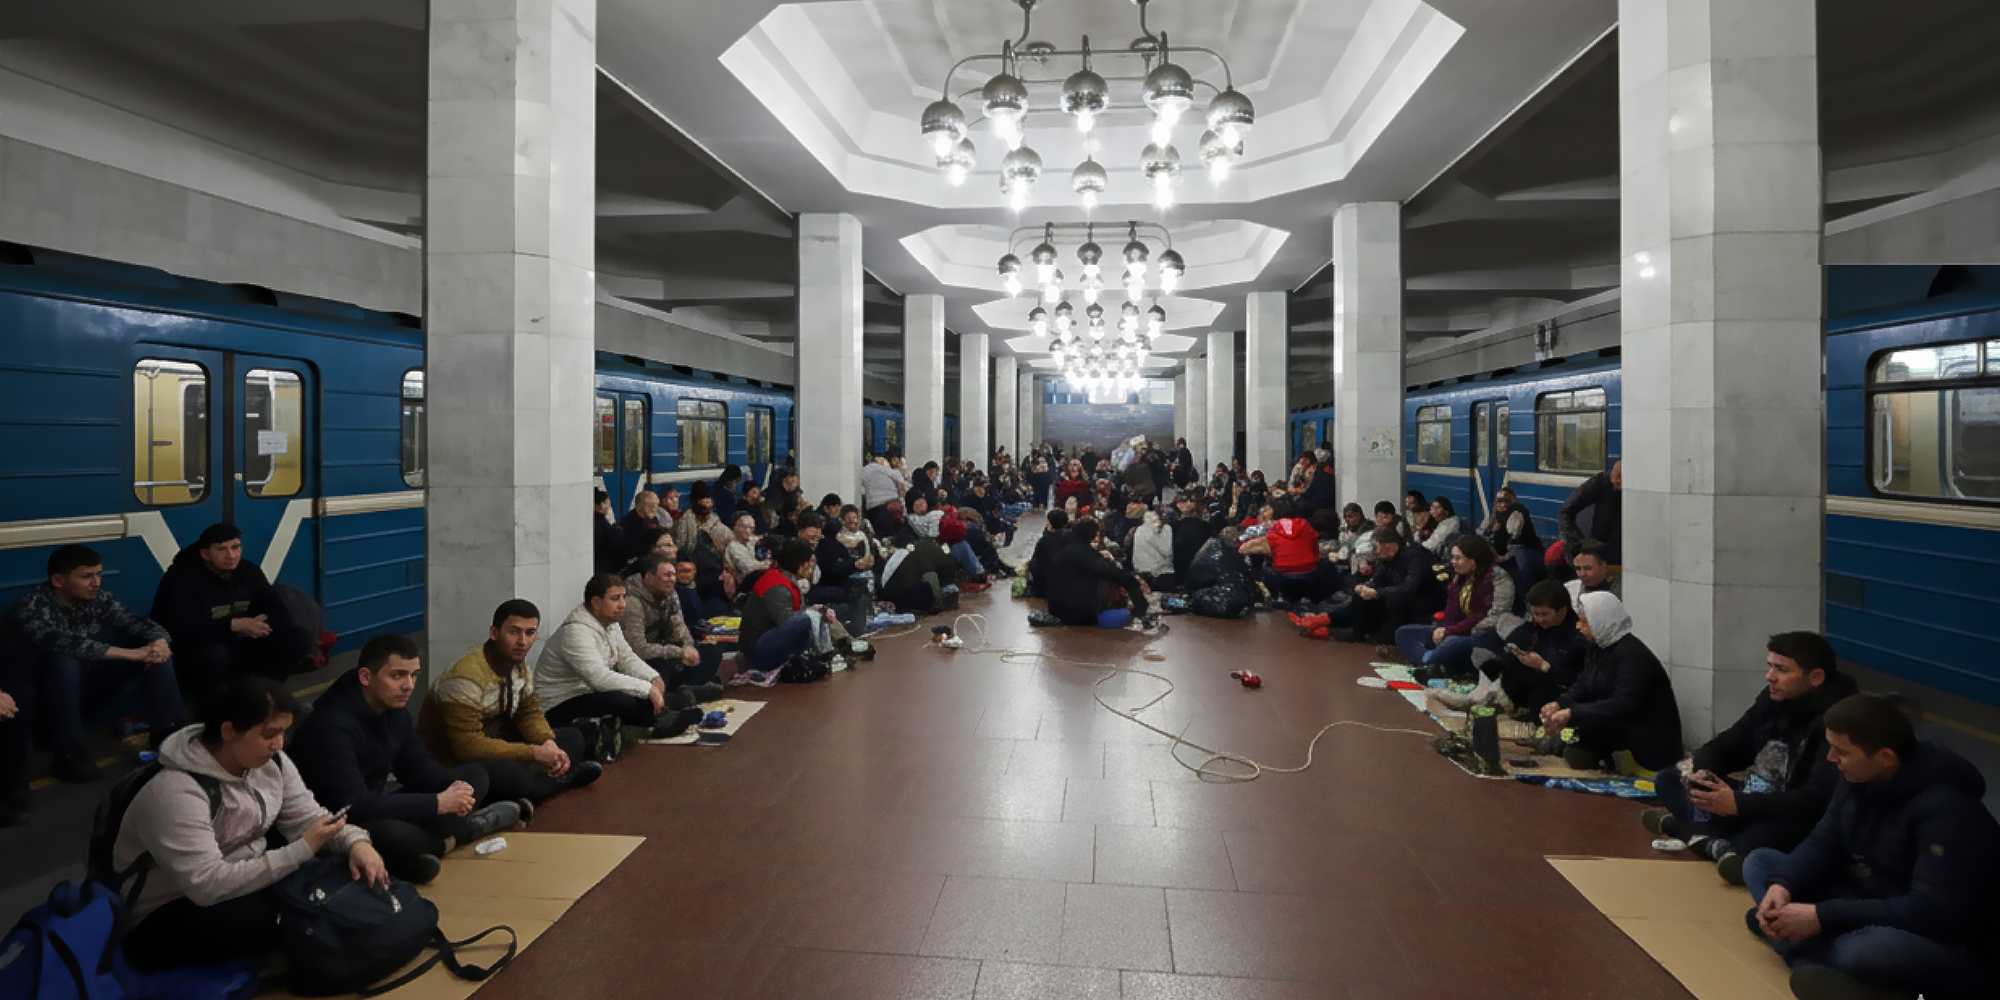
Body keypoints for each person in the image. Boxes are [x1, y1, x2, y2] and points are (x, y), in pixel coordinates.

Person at [114, 676, 384, 973]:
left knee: (346, 865)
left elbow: (307, 817)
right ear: (229, 731)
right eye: (269, 733)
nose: (279, 744)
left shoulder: (273, 761)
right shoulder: (176, 792)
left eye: (283, 732)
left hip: (241, 878)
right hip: (166, 911)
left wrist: (357, 843)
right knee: (271, 912)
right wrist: (302, 850)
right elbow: (206, 885)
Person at [1741, 693, 2000, 1000]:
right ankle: (1814, 962)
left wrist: (1822, 916)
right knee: (1761, 864)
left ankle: (1808, 951)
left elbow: (1933, 912)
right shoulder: (1857, 776)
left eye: (1840, 751)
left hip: (1945, 938)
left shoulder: (1948, 810)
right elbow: (1824, 841)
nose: (1830, 758)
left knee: (1865, 952)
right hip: (1871, 895)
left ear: (1886, 757)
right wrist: (1783, 887)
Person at [290, 635, 521, 884]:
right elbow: (354, 805)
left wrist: (455, 792)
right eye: (398, 675)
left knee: (474, 777)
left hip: (381, 801)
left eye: (414, 675)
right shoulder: (331, 725)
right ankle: (461, 834)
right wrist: (437, 803)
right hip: (343, 820)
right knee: (391, 835)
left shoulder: (394, 708)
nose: (409, 685)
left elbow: (417, 765)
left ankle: (423, 851)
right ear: (366, 677)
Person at [1643, 632, 1859, 885]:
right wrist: (1703, 770)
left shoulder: (1838, 721)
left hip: (1789, 815)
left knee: (1753, 847)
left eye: (1781, 670)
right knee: (1669, 779)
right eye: (1770, 667)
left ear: (1816, 678)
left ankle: (1686, 831)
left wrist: (1738, 804)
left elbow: (1815, 799)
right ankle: (1717, 842)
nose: (1770, 677)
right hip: (1746, 800)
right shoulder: (1772, 699)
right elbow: (1730, 742)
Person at [7, 544, 183, 784]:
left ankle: (167, 733)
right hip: (49, 697)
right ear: (58, 580)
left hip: (90, 684)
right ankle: (68, 750)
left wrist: (159, 641)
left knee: (156, 656)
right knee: (63, 661)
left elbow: (138, 622)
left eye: (99, 574)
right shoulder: (32, 606)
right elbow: (65, 644)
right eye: (86, 576)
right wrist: (131, 654)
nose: (96, 583)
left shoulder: (99, 599)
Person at [418, 600, 602, 804]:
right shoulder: (465, 677)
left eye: (530, 633)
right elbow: (467, 747)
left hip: (500, 742)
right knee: (515, 777)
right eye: (514, 632)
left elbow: (529, 712)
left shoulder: (518, 665)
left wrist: (546, 743)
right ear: (494, 633)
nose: (522, 641)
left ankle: (538, 785)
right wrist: (532, 753)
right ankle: (556, 782)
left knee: (572, 738)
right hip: (456, 761)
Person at [149, 523, 313, 699]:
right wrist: (233, 625)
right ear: (205, 554)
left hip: (241, 642)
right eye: (221, 549)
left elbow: (279, 611)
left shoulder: (248, 571)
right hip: (195, 650)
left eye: (236, 547)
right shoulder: (180, 578)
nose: (231, 555)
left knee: (297, 638)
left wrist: (261, 625)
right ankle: (213, 705)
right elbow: (179, 628)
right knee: (214, 655)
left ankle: (265, 694)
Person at [535, 574, 704, 739]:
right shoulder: (575, 632)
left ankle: (672, 705)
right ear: (596, 602)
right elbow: (599, 678)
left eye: (623, 597)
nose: (622, 604)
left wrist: (652, 677)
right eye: (615, 598)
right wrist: (647, 689)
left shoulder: (610, 623)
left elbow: (626, 657)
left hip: (588, 693)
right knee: (621, 699)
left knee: (646, 684)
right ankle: (658, 721)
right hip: (558, 707)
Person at [1542, 592, 1682, 773]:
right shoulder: (1597, 648)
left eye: (1584, 622)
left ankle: (1615, 759)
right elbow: (1584, 684)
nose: (1578, 626)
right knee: (1575, 748)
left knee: (1580, 744)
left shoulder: (1633, 656)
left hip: (1646, 734)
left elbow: (1623, 705)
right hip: (1614, 725)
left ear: (1602, 622)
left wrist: (1572, 712)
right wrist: (1559, 704)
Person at [1437, 579, 1590, 717]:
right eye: (1535, 614)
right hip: (1522, 683)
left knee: (1539, 682)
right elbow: (1513, 642)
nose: (1539, 619)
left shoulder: (1579, 635)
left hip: (1556, 689)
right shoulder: (1536, 626)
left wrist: (1544, 666)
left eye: (1544, 614)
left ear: (1562, 611)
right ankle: (1488, 696)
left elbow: (1579, 680)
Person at [1297, 528, 1446, 644]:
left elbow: (1409, 588)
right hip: (1395, 595)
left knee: (1394, 599)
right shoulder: (1387, 560)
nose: (1377, 551)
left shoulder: (1415, 559)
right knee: (1361, 596)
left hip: (1421, 600)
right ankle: (1340, 624)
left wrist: (1377, 593)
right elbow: (1379, 580)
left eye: (1379, 547)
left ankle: (1385, 635)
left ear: (1392, 545)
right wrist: (1366, 587)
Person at [1395, 535, 1514, 678]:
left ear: (1474, 560)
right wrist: (1443, 629)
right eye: (1452, 558)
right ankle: (1432, 661)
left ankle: (1431, 661)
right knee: (1404, 633)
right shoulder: (1459, 578)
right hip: (1457, 630)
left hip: (1481, 634)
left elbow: (1487, 618)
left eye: (1458, 558)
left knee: (1452, 643)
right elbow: (1451, 611)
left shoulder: (1498, 578)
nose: (1453, 563)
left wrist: (1449, 632)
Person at [623, 553, 728, 693]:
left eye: (673, 575)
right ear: (649, 576)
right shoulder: (632, 602)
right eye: (667, 575)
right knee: (663, 669)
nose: (672, 580)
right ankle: (685, 690)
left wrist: (688, 647)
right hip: (646, 659)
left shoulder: (670, 593)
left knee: (712, 651)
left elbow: (679, 626)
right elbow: (638, 649)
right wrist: (678, 653)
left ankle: (688, 687)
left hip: (668, 651)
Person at [737, 540, 836, 672]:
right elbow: (788, 622)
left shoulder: (784, 580)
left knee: (815, 614)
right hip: (757, 652)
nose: (811, 568)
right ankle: (811, 654)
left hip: (766, 641)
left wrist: (818, 610)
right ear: (799, 565)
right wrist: (811, 613)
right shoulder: (776, 586)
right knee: (806, 619)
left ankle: (819, 653)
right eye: (809, 564)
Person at [1044, 519, 1151, 628]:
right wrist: (1133, 582)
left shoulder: (1064, 549)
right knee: (1114, 580)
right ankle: (1142, 613)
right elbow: (1113, 573)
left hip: (1057, 610)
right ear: (1092, 534)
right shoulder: (1082, 553)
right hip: (1078, 615)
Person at [1238, 502, 1327, 604]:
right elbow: (1315, 548)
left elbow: (1243, 549)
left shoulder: (1273, 533)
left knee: (1265, 569)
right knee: (1325, 565)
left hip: (1283, 575)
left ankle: (1275, 598)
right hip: (1309, 573)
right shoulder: (1306, 526)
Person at [1557, 459, 1622, 566]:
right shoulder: (1601, 482)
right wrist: (1576, 544)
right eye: (1613, 480)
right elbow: (1566, 510)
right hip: (1598, 549)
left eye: (1619, 484)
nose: (1615, 487)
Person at [1478, 487, 1543, 583]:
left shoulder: (1517, 514)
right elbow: (1482, 533)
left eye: (1506, 501)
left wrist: (1499, 558)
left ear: (1512, 501)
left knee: (1520, 555)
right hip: (1506, 555)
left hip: (1526, 553)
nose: (1502, 504)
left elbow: (1514, 543)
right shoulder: (1496, 516)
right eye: (1498, 501)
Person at [1131, 511, 1176, 591]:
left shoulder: (1139, 530)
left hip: (1143, 573)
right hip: (1163, 574)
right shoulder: (1165, 529)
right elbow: (1167, 551)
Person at [619, 491, 668, 564]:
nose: (654, 509)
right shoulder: (631, 524)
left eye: (656, 505)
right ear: (639, 505)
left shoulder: (646, 520)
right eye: (650, 505)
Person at [723, 512, 769, 582]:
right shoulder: (734, 547)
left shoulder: (749, 541)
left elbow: (757, 538)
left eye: (751, 528)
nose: (747, 531)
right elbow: (749, 568)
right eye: (743, 527)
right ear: (734, 527)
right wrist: (769, 564)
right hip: (745, 583)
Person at [593, 489, 627, 575]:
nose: (609, 506)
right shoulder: (601, 524)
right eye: (606, 503)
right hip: (605, 568)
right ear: (598, 506)